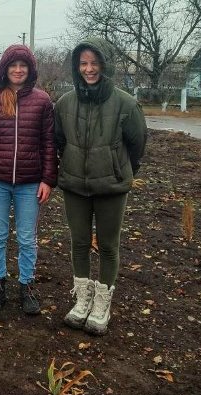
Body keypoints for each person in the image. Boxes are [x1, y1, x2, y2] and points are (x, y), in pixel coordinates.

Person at [54, 38, 147, 335]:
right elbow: (58, 142)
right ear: (76, 66)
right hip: (75, 187)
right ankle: (82, 300)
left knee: (108, 245)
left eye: (94, 63)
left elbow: (137, 144)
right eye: (83, 63)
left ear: (105, 65)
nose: (89, 69)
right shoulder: (65, 103)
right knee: (79, 242)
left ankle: (102, 303)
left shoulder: (126, 103)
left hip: (111, 187)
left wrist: (121, 170)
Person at [0, 44, 58, 316]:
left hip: (30, 183)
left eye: (23, 65)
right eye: (13, 65)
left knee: (28, 238)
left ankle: (27, 286)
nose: (18, 70)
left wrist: (48, 179)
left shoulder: (43, 101)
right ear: (4, 69)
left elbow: (49, 143)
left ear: (30, 69)